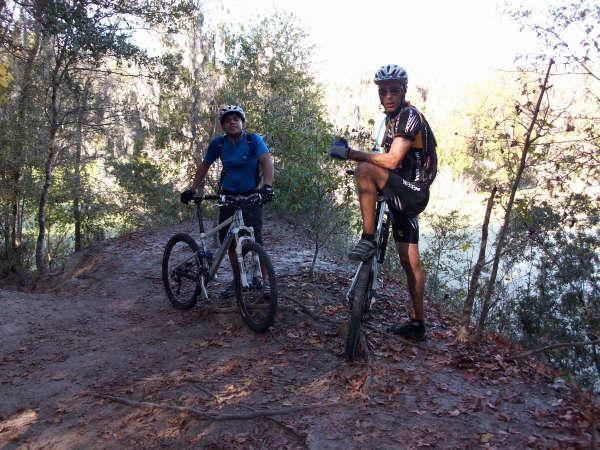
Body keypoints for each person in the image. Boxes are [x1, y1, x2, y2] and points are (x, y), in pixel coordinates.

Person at [329, 64, 437, 341]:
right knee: (409, 261)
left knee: (365, 169)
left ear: (404, 91)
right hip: (404, 192)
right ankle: (417, 324)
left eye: (394, 90)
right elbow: (388, 162)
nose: (388, 96)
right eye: (383, 91)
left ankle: (367, 238)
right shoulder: (393, 121)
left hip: (413, 192)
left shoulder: (409, 116)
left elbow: (390, 161)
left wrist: (351, 153)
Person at [180, 104, 274, 297]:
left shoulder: (252, 140)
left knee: (257, 239)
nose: (232, 122)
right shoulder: (219, 144)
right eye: (227, 120)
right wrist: (192, 189)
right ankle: (238, 280)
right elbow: (205, 165)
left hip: (251, 197)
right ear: (223, 126)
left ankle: (266, 283)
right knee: (229, 242)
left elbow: (266, 161)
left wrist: (268, 186)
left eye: (236, 119)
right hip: (227, 197)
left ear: (242, 123)